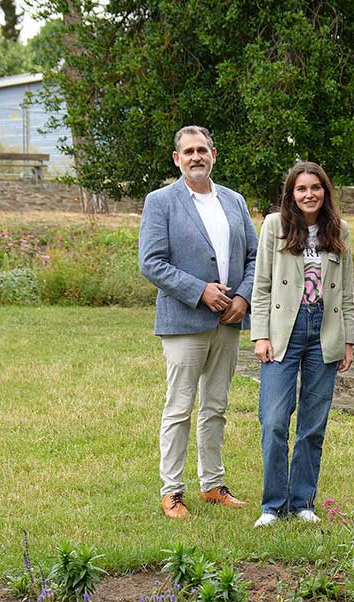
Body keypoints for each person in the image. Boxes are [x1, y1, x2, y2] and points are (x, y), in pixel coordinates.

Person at [139, 125, 258, 519]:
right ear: (177, 159)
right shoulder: (161, 202)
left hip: (229, 320)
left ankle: (212, 485)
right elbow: (151, 262)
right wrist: (199, 290)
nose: (196, 157)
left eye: (202, 150)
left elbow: (256, 257)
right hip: (184, 319)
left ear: (213, 154)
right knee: (180, 407)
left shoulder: (234, 201)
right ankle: (172, 490)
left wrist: (242, 296)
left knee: (216, 406)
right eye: (188, 151)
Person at [250, 162, 354, 527]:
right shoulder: (274, 226)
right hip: (284, 330)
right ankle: (272, 505)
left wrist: (348, 339)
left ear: (325, 191)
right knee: (275, 420)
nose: (308, 194)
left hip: (323, 330)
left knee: (313, 423)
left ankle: (302, 501)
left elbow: (347, 292)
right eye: (301, 189)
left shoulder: (338, 230)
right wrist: (260, 334)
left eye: (315, 187)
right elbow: (261, 285)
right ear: (290, 194)